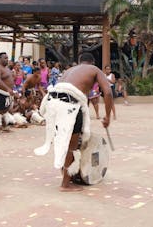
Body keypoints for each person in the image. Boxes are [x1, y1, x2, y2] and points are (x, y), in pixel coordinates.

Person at [33, 52, 113, 192]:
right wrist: (107, 117)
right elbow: (108, 92)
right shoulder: (95, 70)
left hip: (54, 103)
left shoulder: (69, 70)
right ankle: (65, 184)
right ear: (92, 62)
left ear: (80, 62)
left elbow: (82, 98)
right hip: (69, 105)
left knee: (64, 139)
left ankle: (68, 174)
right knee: (72, 144)